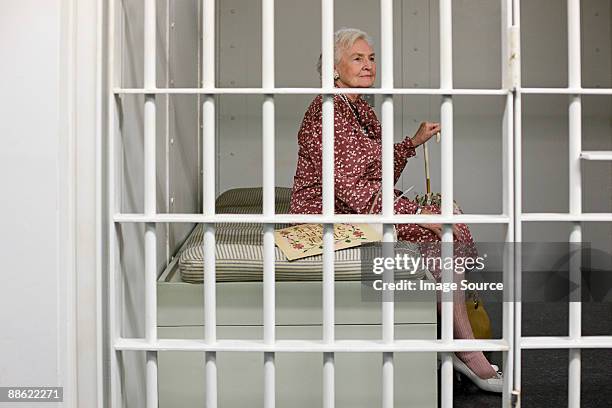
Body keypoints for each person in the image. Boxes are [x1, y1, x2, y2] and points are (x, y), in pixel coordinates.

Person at [289, 27, 502, 393]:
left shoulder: (357, 108)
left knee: (450, 224)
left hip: (354, 206)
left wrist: (412, 143)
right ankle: (465, 351)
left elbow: (375, 172)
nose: (368, 65)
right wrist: (417, 216)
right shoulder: (330, 112)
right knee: (446, 233)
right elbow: (354, 191)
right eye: (357, 58)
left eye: (371, 58)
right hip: (329, 216)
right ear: (334, 70)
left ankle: (447, 338)